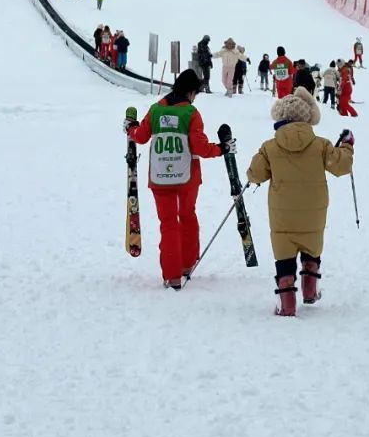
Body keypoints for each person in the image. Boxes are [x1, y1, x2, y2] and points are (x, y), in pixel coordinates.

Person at [245, 86, 354, 316]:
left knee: (284, 254)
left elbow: (255, 174)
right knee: (311, 247)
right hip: (313, 212)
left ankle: (287, 305)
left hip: (282, 214)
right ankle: (309, 291)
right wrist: (347, 146)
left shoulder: (270, 147)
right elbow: (342, 166)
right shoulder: (321, 145)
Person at [127, 69, 231, 289]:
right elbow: (200, 148)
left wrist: (130, 128)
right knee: (187, 215)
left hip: (159, 177)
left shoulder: (155, 110)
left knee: (168, 223)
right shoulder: (191, 113)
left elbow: (141, 136)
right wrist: (221, 149)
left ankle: (172, 276)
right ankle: (187, 264)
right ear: (191, 91)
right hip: (187, 178)